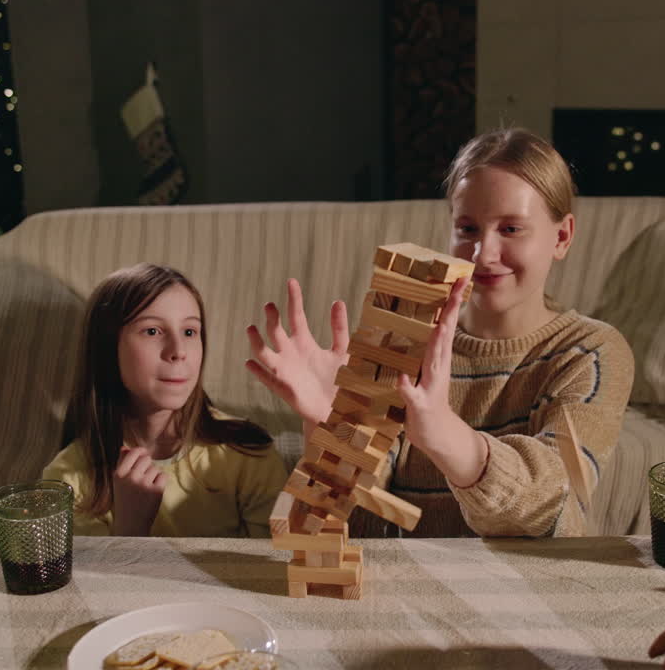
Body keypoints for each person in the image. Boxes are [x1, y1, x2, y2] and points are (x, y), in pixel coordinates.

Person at [245, 128, 634, 537]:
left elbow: (553, 501)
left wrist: (444, 433)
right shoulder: (403, 337)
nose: (484, 253)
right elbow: (362, 521)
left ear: (562, 236)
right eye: (467, 229)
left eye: (511, 229)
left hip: (529, 590)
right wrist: (331, 428)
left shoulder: (590, 352)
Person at [44, 263, 287, 538]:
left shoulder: (248, 453)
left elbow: (276, 573)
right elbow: (94, 581)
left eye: (189, 332)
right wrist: (130, 529)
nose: (178, 351)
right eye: (152, 331)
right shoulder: (66, 479)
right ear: (107, 348)